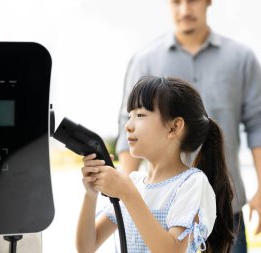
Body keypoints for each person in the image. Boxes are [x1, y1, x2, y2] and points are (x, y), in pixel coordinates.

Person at [116, 0, 261, 252]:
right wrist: (123, 191)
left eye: (192, 1)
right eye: (176, 2)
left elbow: (259, 125)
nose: (184, 9)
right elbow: (127, 130)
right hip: (161, 211)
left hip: (226, 206)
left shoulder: (241, 59)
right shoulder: (145, 61)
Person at [76, 76, 235, 253]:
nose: (128, 125)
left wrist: (128, 194)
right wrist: (91, 194)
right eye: (130, 116)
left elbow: (173, 250)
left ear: (174, 127)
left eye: (140, 115)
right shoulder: (134, 182)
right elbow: (86, 247)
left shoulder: (191, 184)